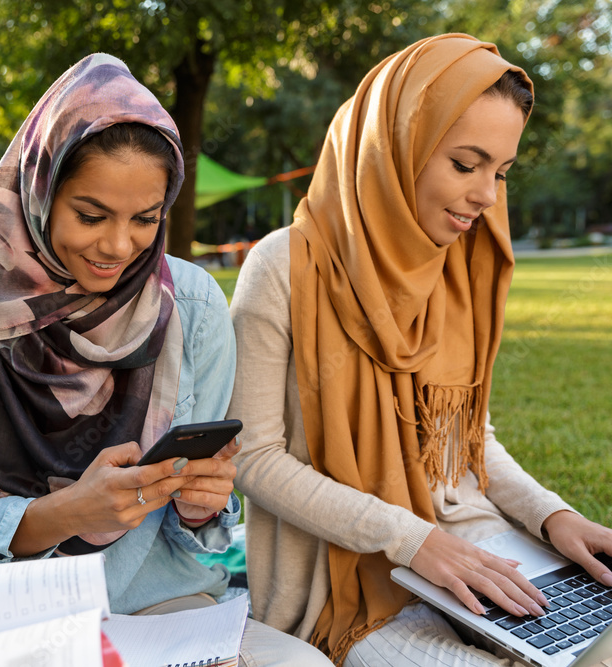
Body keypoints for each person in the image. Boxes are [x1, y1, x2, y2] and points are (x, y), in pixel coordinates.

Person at [0, 53, 331, 666]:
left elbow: (204, 533)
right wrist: (69, 513)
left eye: (145, 219)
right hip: (22, 607)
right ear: (41, 191)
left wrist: (204, 504)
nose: (118, 247)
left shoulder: (191, 306)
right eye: (91, 216)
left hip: (165, 608)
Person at [227, 33, 612, 667]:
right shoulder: (283, 266)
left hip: (466, 537)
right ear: (397, 146)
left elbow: (464, 440)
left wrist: (552, 517)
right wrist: (412, 540)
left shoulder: (459, 265)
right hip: (342, 578)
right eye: (466, 164)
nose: (487, 195)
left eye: (500, 172)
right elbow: (254, 459)